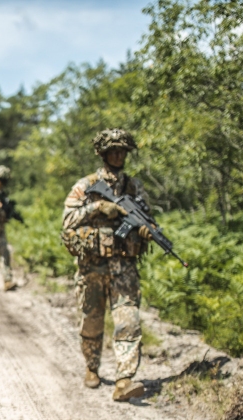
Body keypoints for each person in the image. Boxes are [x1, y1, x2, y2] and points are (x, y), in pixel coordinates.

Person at [61, 128, 152, 402]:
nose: (117, 155)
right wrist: (97, 208)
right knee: (92, 320)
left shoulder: (134, 187)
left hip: (124, 268)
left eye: (122, 151)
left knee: (128, 321)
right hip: (92, 267)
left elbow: (147, 217)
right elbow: (67, 222)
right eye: (112, 150)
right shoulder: (86, 185)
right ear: (102, 153)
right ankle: (92, 368)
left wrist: (146, 231)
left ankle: (124, 379)